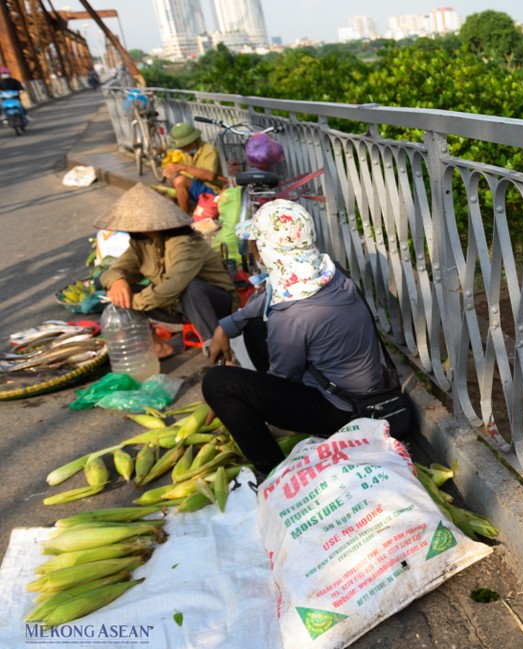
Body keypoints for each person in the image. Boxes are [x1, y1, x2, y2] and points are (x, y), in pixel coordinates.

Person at [202, 200, 386, 475]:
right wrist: (226, 327)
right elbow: (269, 296)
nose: (253, 251)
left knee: (217, 383)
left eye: (255, 245)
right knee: (252, 323)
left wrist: (234, 398)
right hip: (365, 386)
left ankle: (274, 470)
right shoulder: (326, 271)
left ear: (265, 251)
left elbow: (282, 379)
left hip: (344, 408)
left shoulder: (289, 315)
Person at [96, 183, 240, 358]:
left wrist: (135, 302)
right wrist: (118, 282)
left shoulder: (185, 242)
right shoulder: (140, 243)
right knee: (121, 290)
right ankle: (158, 346)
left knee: (191, 288)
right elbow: (115, 270)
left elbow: (174, 284)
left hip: (213, 303)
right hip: (175, 306)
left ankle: (216, 349)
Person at [160, 122, 222, 214]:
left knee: (180, 181)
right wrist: (166, 186)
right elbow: (180, 173)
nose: (183, 149)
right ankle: (172, 215)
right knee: (171, 180)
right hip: (196, 186)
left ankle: (184, 218)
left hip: (212, 190)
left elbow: (210, 176)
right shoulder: (186, 153)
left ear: (193, 141)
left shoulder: (209, 151)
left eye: (184, 146)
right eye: (181, 147)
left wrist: (182, 167)